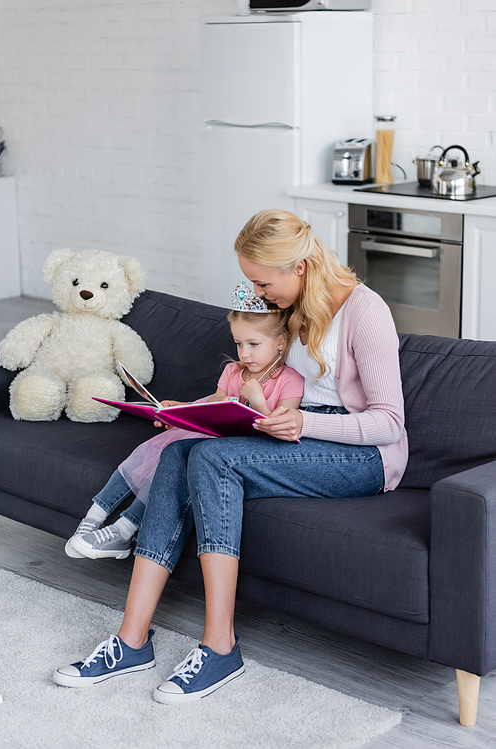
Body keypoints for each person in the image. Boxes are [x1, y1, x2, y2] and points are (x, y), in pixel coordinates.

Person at [54, 209, 408, 706]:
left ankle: (220, 646)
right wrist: (198, 412)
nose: (259, 294)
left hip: (363, 456)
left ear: (299, 267)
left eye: (262, 282)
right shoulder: (293, 309)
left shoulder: (364, 311)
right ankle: (131, 640)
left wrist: (306, 423)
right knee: (180, 452)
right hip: (295, 436)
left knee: (214, 461)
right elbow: (268, 386)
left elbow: (390, 424)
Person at [64, 282, 304, 561]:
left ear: (280, 342)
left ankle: (123, 530)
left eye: (253, 344)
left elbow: (281, 429)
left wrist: (258, 400)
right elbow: (215, 403)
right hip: (209, 436)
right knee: (149, 452)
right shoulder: (233, 370)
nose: (244, 353)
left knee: (170, 464)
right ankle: (92, 520)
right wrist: (182, 410)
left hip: (238, 451)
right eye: (238, 344)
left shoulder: (291, 380)